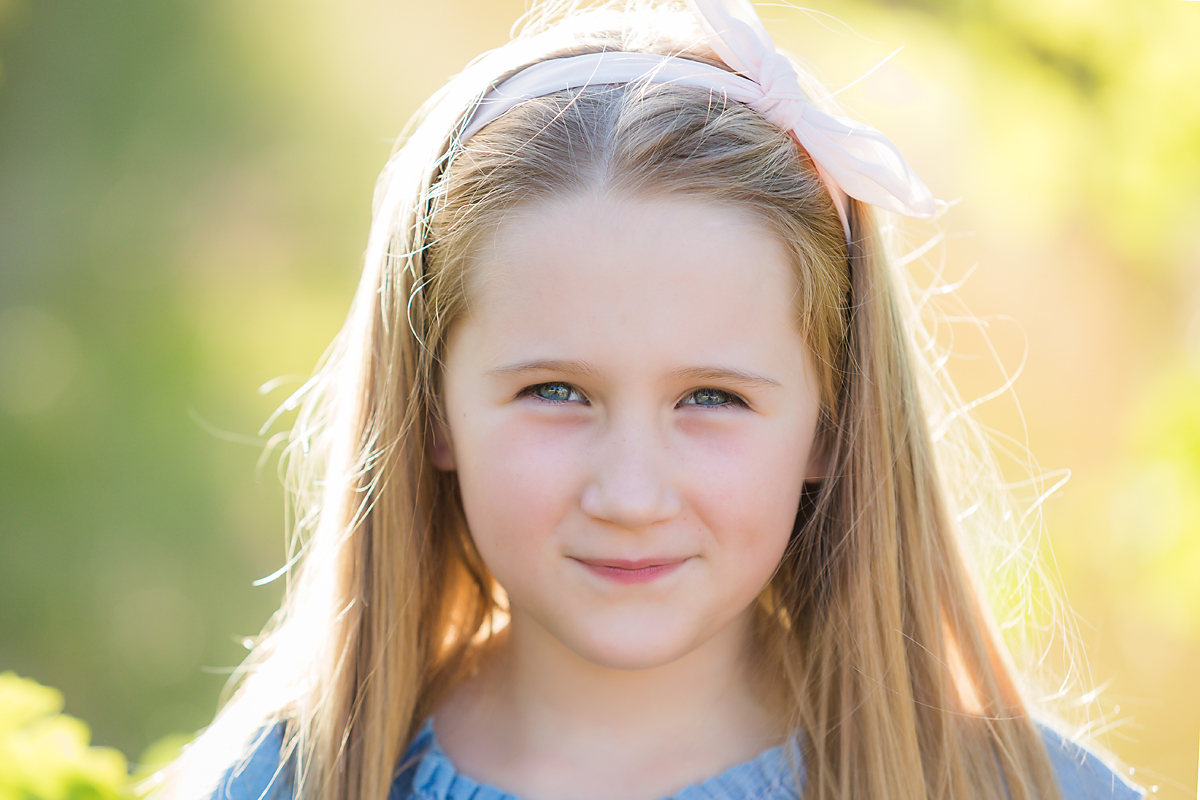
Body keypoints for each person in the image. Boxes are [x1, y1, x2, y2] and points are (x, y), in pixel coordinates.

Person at [153, 1, 1146, 799]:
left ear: (828, 423)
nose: (630, 493)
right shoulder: (286, 779)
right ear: (432, 404)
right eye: (555, 390)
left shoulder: (1010, 786)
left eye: (711, 397)